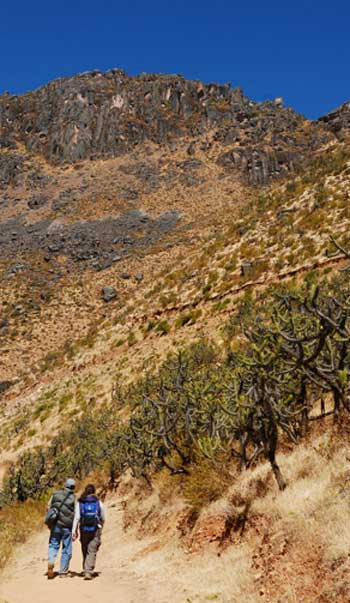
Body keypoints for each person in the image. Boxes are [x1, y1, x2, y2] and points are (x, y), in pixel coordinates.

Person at [73, 483, 106, 580]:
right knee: (92, 550)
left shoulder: (80, 502)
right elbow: (103, 517)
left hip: (83, 528)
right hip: (95, 528)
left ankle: (86, 568)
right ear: (94, 491)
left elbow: (77, 517)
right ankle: (88, 570)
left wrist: (74, 530)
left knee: (85, 548)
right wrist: (101, 527)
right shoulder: (98, 502)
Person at [47, 478, 78, 579]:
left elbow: (48, 507)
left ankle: (51, 561)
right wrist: (75, 529)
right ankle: (63, 572)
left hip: (55, 525)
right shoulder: (74, 498)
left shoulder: (55, 494)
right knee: (66, 548)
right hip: (67, 527)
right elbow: (77, 514)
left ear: (65, 485)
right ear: (73, 487)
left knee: (53, 544)